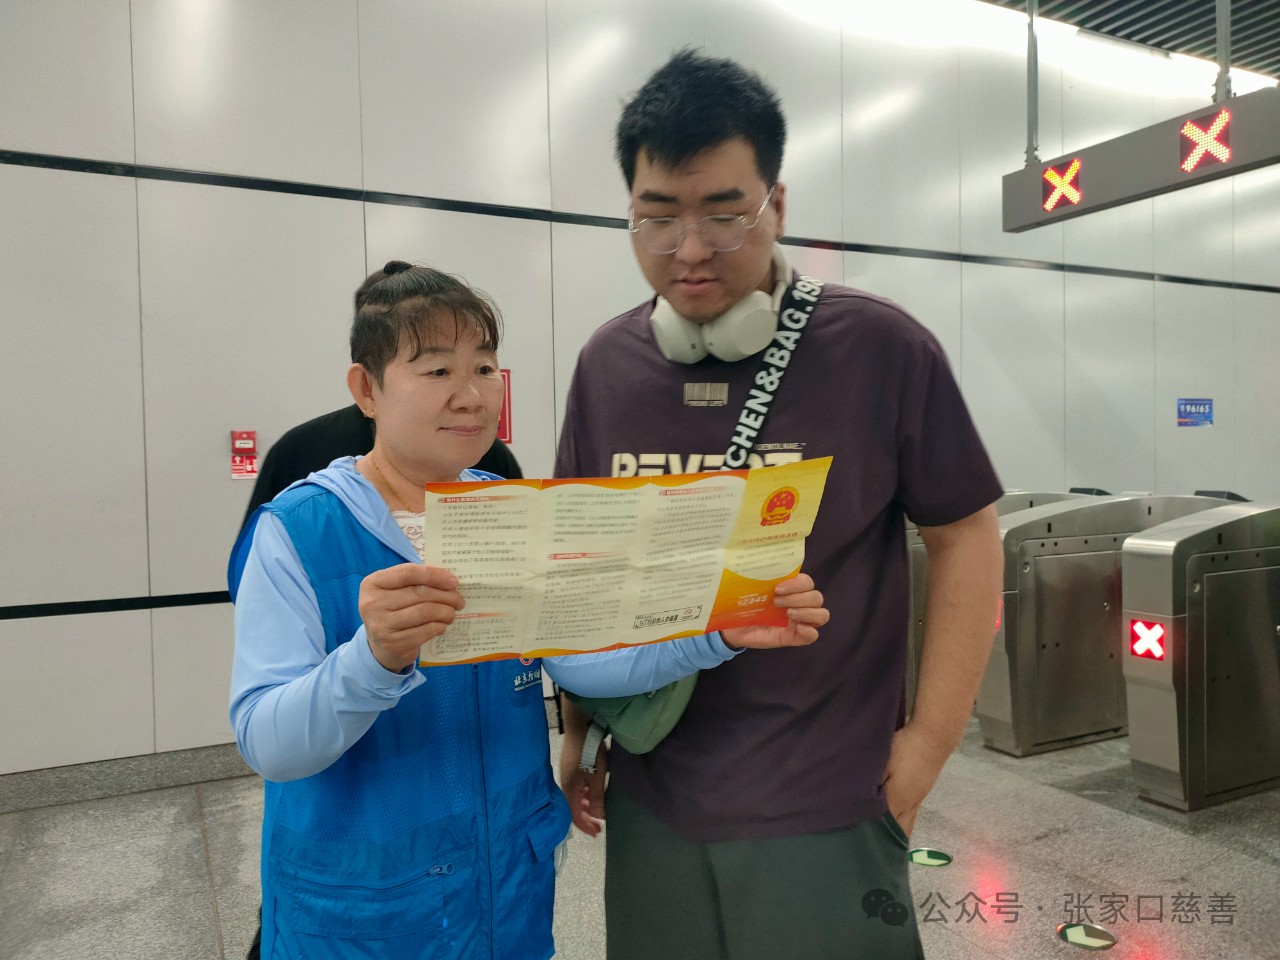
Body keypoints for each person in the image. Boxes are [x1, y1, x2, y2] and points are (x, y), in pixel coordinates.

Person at [228, 260, 831, 960]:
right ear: (367, 389)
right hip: (366, 917)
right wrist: (371, 660)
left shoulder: (505, 509)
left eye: (485, 368)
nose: (471, 396)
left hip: (504, 894)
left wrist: (715, 633)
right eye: (437, 370)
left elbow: (582, 663)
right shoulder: (299, 530)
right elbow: (267, 743)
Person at [552, 51, 1005, 960]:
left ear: (777, 205)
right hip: (654, 801)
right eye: (657, 217)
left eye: (724, 214)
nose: (689, 250)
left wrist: (928, 745)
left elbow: (966, 534)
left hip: (828, 803)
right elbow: (582, 569)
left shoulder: (880, 350)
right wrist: (579, 733)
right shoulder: (608, 366)